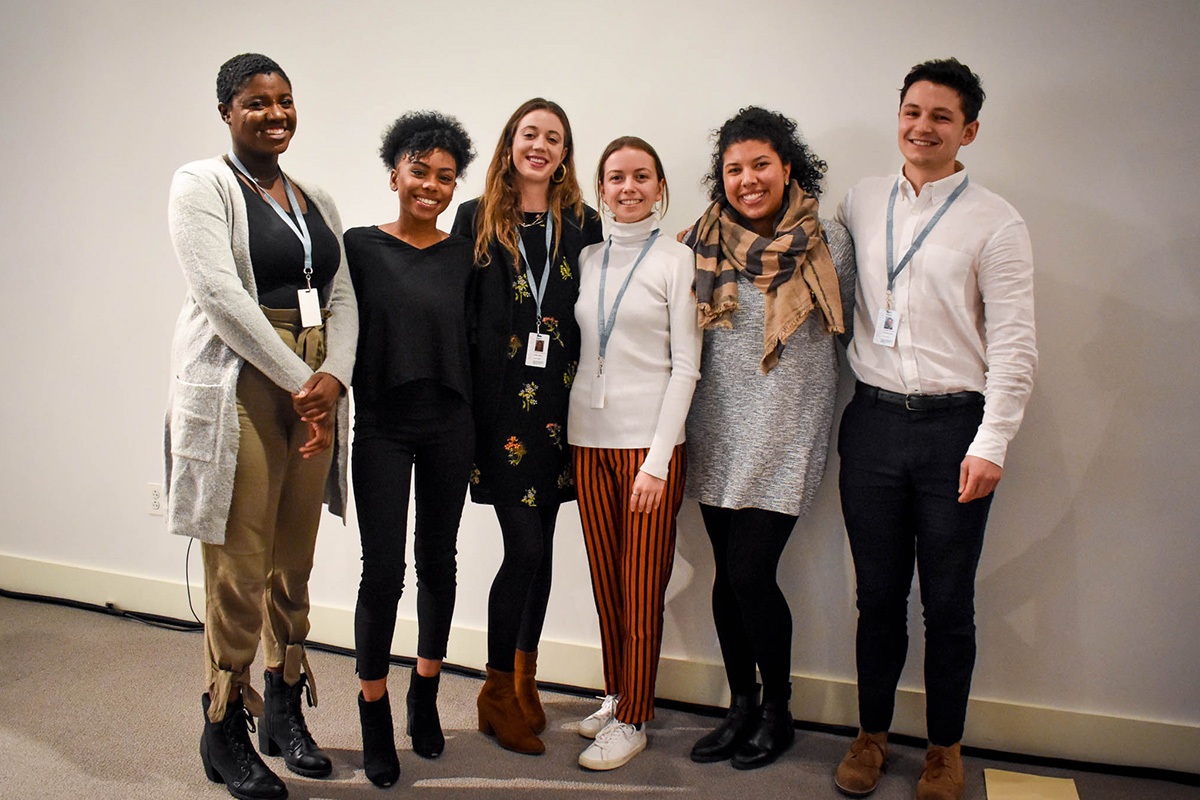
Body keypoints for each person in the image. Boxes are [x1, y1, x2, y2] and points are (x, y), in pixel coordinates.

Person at [832, 58, 1036, 800]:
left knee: (948, 605)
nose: (922, 127)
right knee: (877, 599)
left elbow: (1015, 345)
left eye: (941, 117)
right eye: (912, 112)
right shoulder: (860, 201)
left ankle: (944, 750)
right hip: (872, 426)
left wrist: (992, 442)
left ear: (968, 131)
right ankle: (871, 735)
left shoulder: (996, 221)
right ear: (899, 117)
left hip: (956, 433)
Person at [165, 53, 357, 800]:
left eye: (284, 100)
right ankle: (223, 725)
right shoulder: (200, 184)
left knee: (293, 558)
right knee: (241, 561)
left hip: (311, 385)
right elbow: (219, 294)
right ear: (227, 112)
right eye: (256, 102)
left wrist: (333, 377)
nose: (275, 114)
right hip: (241, 382)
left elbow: (342, 296)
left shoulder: (316, 198)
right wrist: (301, 381)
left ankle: (282, 706)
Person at [682, 107, 855, 771]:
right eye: (734, 169)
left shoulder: (829, 243)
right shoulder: (699, 241)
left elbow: (852, 333)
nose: (748, 179)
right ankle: (741, 706)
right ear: (720, 177)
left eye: (761, 165)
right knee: (727, 576)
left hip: (788, 427)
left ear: (787, 168)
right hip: (716, 424)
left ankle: (778, 710)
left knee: (751, 573)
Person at [451, 98, 602, 755]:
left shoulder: (585, 223)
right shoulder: (475, 217)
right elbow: (459, 314)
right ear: (511, 142)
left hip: (561, 409)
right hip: (500, 408)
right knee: (526, 550)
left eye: (553, 138)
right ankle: (494, 689)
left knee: (542, 552)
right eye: (529, 134)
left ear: (565, 154)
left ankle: (524, 677)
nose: (540, 146)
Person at [343, 111, 476, 785]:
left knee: (438, 563)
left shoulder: (467, 254)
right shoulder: (359, 247)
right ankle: (373, 710)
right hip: (383, 428)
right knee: (382, 573)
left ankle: (424, 691)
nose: (430, 186)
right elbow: (336, 329)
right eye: (418, 171)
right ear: (394, 174)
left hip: (451, 423)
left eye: (445, 177)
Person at [568, 137, 702, 770]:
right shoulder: (587, 257)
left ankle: (636, 718)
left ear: (659, 187)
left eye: (641, 177)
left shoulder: (677, 259)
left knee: (642, 588)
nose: (629, 188)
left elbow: (686, 368)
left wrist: (657, 462)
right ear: (601, 189)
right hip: (587, 442)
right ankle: (616, 694)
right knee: (606, 585)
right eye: (616, 177)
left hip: (648, 449)